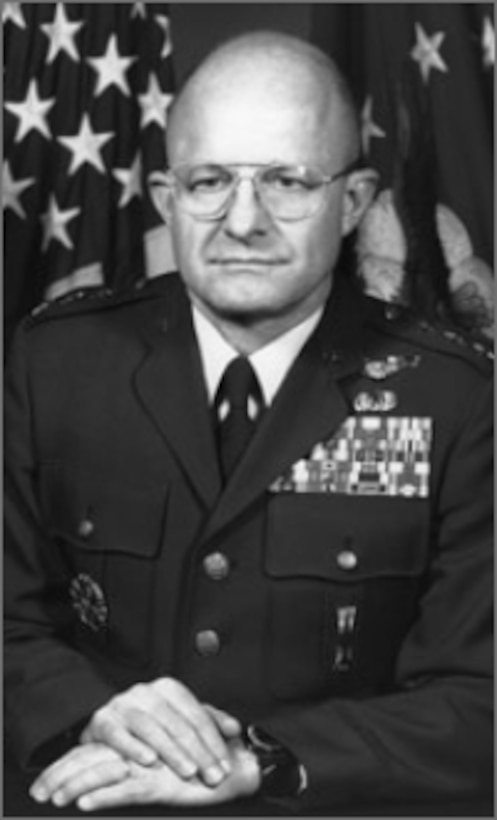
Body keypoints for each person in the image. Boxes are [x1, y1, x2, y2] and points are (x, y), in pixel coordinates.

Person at [4, 30, 493, 817]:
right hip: (90, 795)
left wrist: (260, 760)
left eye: (288, 182)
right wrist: (89, 706)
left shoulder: (455, 399)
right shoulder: (54, 365)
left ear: (354, 203)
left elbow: (481, 696)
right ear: (167, 198)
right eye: (208, 182)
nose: (242, 220)